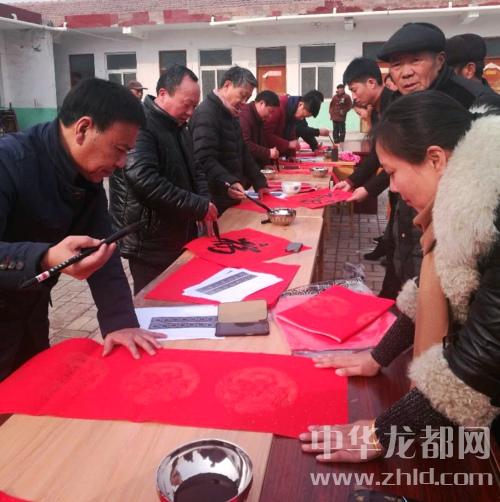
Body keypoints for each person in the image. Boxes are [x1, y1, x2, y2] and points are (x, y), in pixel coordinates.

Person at [300, 90, 500, 462]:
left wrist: (381, 433)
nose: (391, 188)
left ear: (436, 159)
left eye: (393, 173)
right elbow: (430, 291)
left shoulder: (490, 219)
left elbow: (485, 359)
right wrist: (378, 357)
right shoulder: (466, 207)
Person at [0, 78, 164, 381]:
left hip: (29, 315)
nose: (122, 163)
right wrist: (45, 258)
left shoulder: (86, 174)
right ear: (83, 128)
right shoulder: (9, 162)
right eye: (119, 149)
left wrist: (120, 322)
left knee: (31, 396)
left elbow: (103, 248)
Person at [109, 65, 217, 295]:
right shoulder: (141, 125)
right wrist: (197, 205)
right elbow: (144, 179)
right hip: (149, 240)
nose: (190, 112)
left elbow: (196, 168)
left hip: (178, 232)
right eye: (186, 104)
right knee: (154, 301)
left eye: (194, 106)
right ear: (163, 94)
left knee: (182, 295)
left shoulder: (179, 127)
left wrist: (204, 201)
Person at [190, 66, 268, 213]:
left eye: (248, 98)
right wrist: (229, 182)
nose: (244, 102)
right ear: (227, 85)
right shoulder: (206, 114)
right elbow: (204, 159)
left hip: (231, 195)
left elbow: (242, 151)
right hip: (215, 198)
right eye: (242, 95)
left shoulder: (231, 112)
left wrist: (259, 181)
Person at [263, 91, 322, 157]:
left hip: (275, 153)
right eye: (303, 116)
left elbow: (291, 136)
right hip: (266, 153)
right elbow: (266, 134)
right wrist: (288, 144)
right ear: (300, 105)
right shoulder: (279, 107)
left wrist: (291, 156)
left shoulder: (293, 111)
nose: (302, 119)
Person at [239, 90, 280, 168]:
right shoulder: (245, 116)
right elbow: (245, 145)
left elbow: (262, 142)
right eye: (270, 111)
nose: (270, 116)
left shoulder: (259, 117)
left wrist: (266, 164)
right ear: (262, 103)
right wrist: (268, 153)